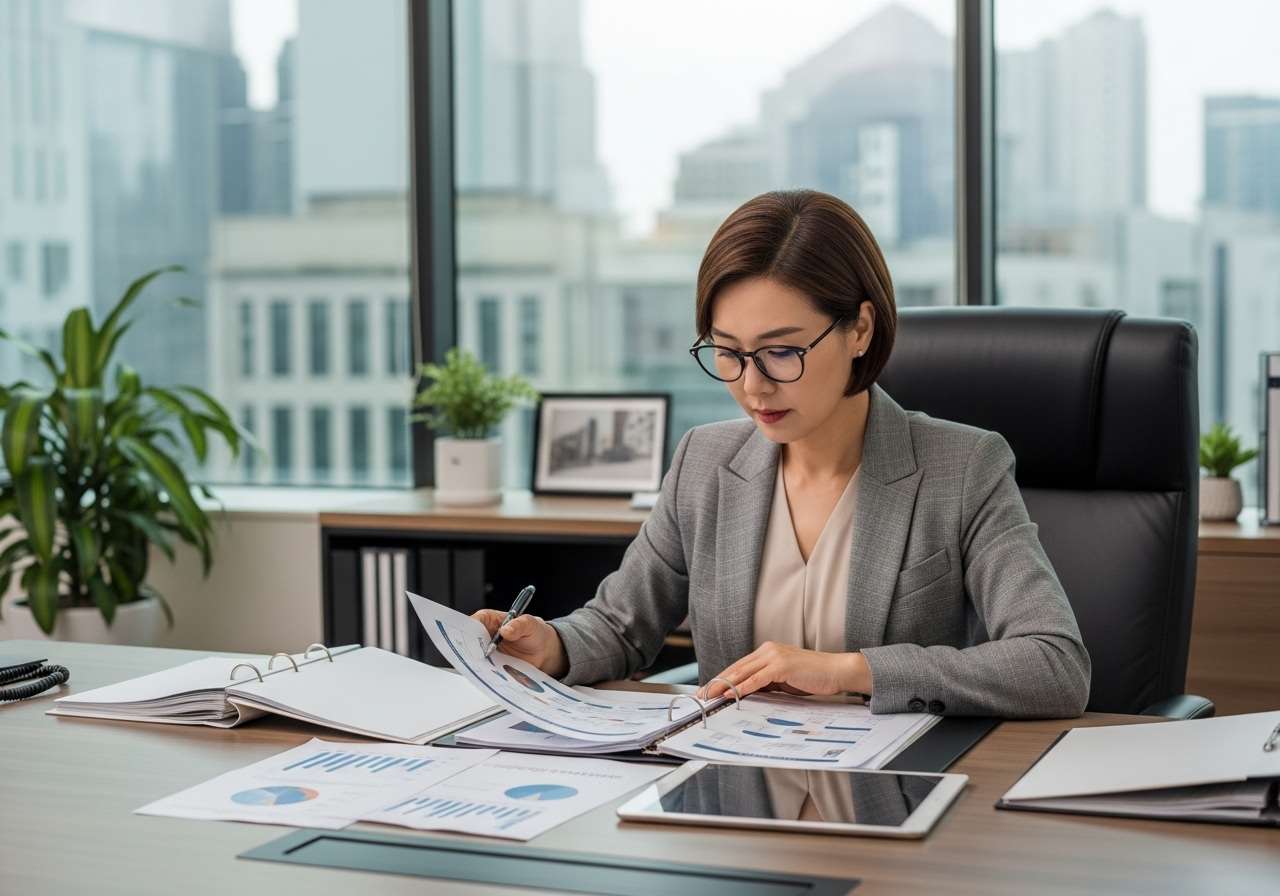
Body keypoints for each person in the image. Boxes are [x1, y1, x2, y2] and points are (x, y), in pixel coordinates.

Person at [476, 189, 1090, 719]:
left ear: (860, 330)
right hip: (735, 787)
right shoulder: (704, 461)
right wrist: (550, 645)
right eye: (728, 351)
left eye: (781, 351)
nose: (753, 385)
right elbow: (617, 626)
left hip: (894, 793)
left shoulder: (963, 469)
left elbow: (1054, 664)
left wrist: (851, 670)